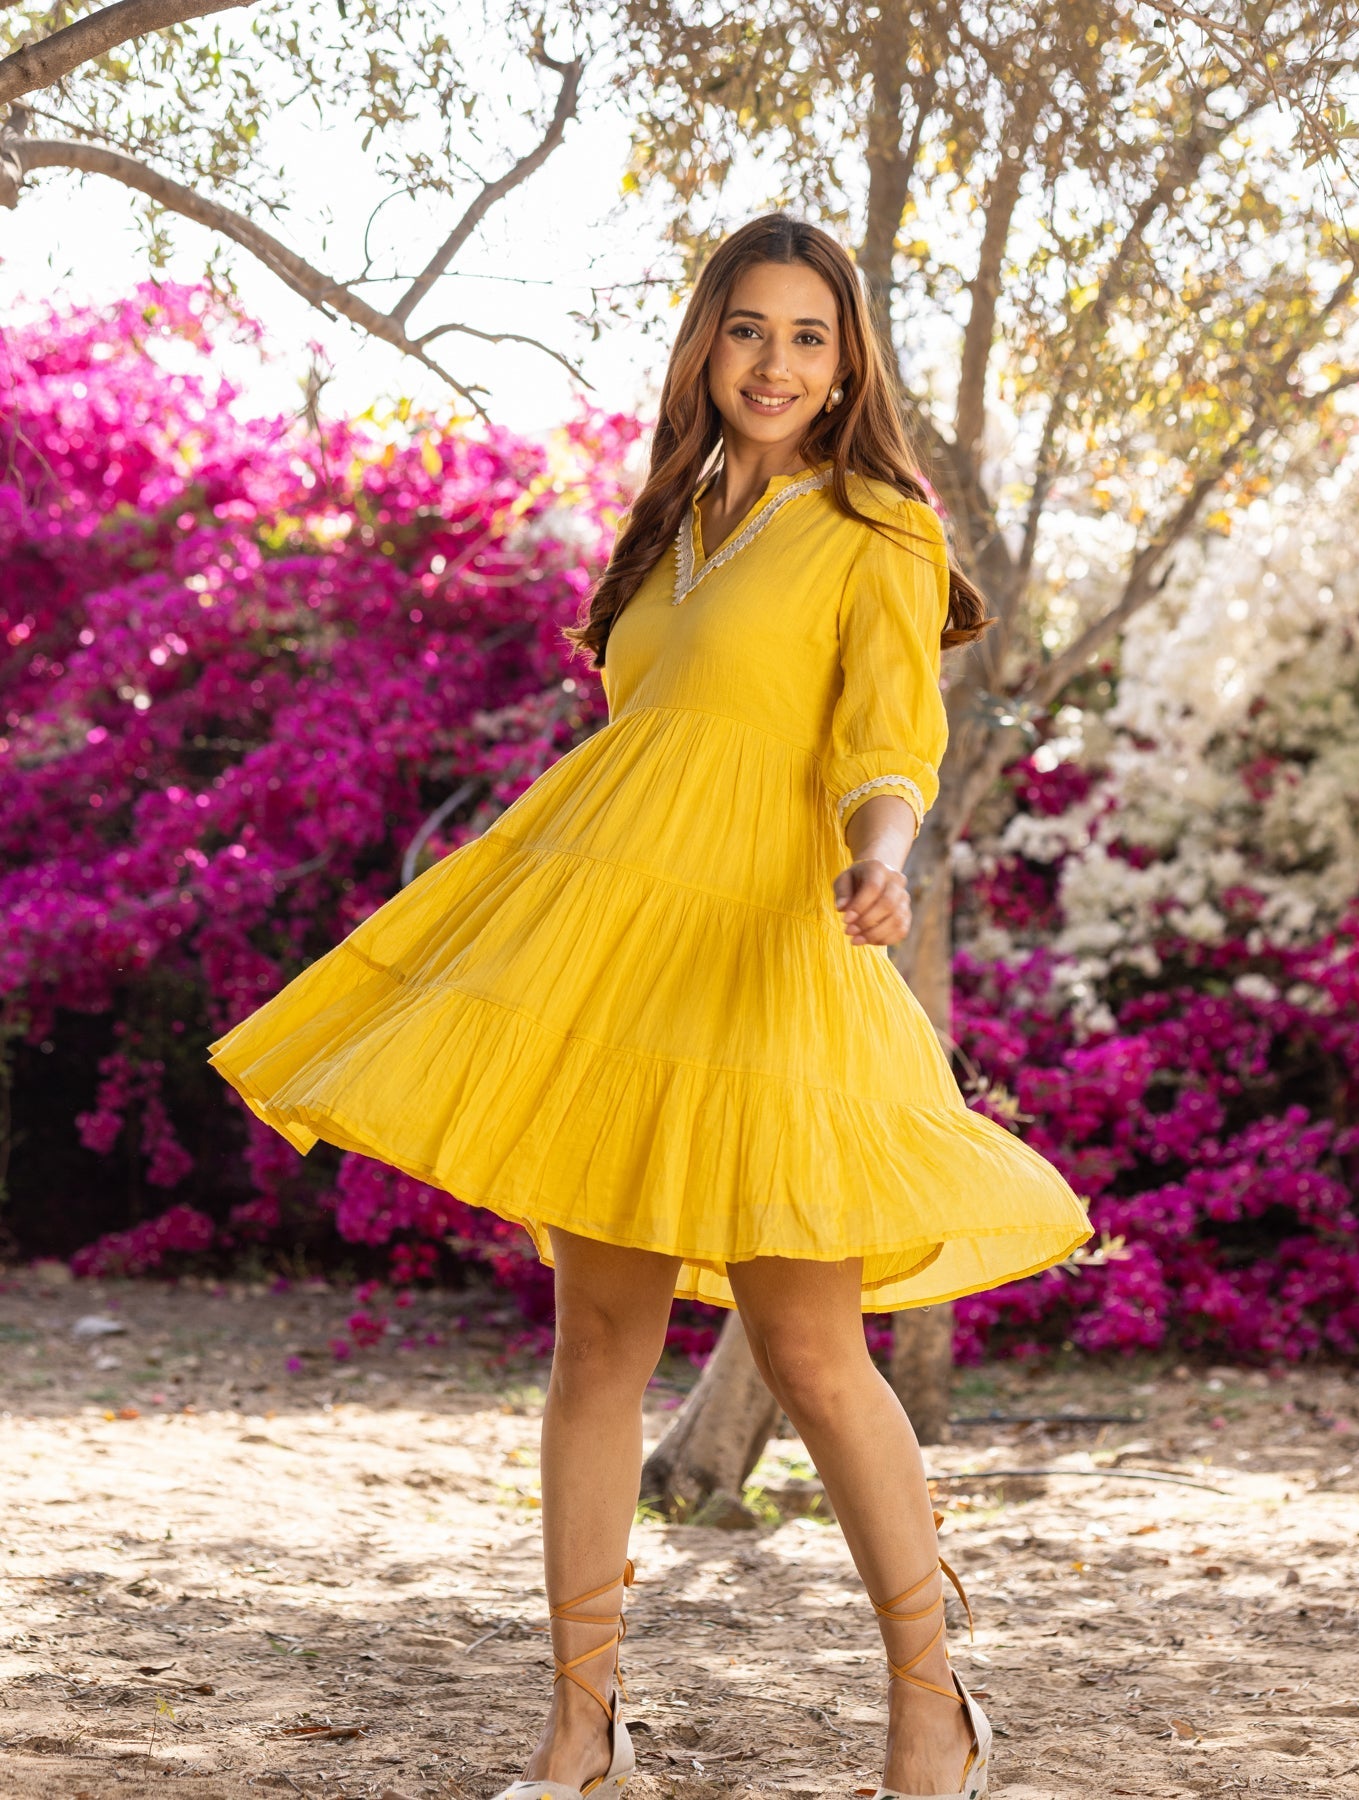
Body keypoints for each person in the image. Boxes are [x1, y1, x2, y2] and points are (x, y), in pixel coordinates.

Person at [209, 212, 1090, 1800]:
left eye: (810, 337)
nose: (776, 363)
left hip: (770, 952)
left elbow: (889, 739)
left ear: (848, 367)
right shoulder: (670, 521)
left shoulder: (878, 527)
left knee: (812, 1348)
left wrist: (881, 858)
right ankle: (582, 1730)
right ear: (707, 344)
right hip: (622, 961)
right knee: (596, 1342)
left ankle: (931, 1705)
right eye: (750, 329)